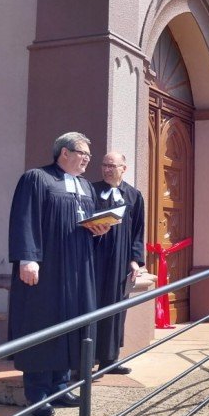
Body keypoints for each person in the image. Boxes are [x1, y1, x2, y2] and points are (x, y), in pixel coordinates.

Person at [8, 132, 111, 416]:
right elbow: (24, 218)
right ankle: (38, 394)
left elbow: (86, 227)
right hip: (48, 268)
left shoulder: (86, 187)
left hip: (79, 269)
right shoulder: (37, 179)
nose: (88, 160)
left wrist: (99, 231)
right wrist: (28, 258)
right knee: (43, 322)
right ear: (64, 152)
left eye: (90, 156)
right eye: (83, 154)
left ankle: (61, 385)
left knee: (73, 323)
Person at [92, 152, 146, 375]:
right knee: (92, 306)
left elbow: (138, 231)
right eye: (104, 165)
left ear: (124, 168)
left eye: (112, 166)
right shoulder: (91, 191)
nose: (107, 169)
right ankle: (85, 361)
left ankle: (110, 359)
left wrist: (135, 260)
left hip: (120, 262)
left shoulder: (134, 195)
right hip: (93, 258)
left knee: (116, 308)